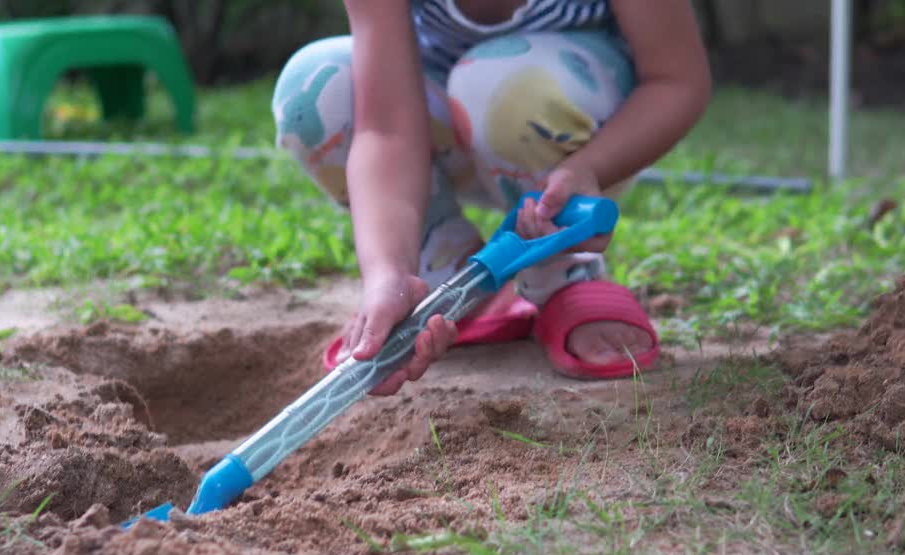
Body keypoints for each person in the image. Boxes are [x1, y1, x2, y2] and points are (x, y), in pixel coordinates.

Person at [272, 0, 711, 395]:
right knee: (314, 90)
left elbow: (675, 80)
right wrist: (389, 270)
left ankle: (561, 270)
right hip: (438, 120)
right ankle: (443, 268)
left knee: (493, 81)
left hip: (577, 130)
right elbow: (385, 129)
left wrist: (589, 168)